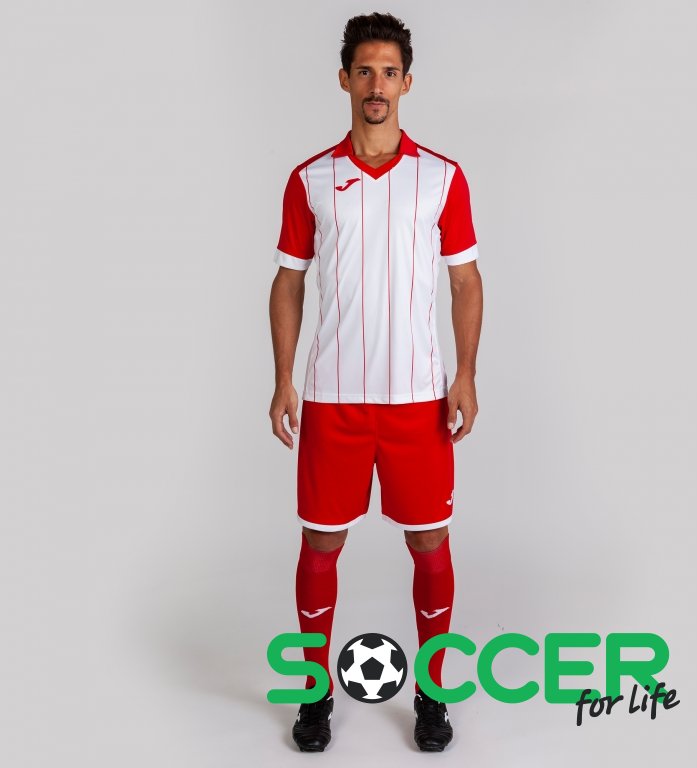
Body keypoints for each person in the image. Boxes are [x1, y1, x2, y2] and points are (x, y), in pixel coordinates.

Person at [269, 11, 483, 753]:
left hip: (418, 398)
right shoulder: (311, 179)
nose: (377, 85)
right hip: (333, 397)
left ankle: (432, 692)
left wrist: (465, 375)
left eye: (389, 72)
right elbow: (288, 282)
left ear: (407, 84)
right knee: (320, 542)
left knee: (430, 541)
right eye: (365, 70)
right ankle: (313, 693)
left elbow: (465, 281)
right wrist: (283, 379)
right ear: (344, 80)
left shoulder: (441, 177)